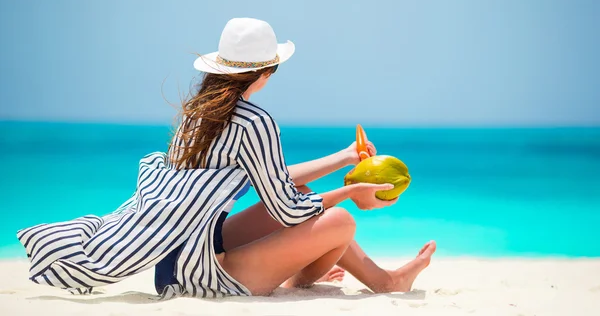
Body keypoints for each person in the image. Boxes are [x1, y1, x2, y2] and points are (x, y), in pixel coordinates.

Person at [17, 18, 435, 299]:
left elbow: (271, 179)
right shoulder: (254, 120)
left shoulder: (196, 113)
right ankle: (381, 281)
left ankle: (304, 275)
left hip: (173, 264)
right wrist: (352, 193)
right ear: (267, 72)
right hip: (203, 277)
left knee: (305, 193)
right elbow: (287, 210)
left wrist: (345, 158)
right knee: (340, 219)